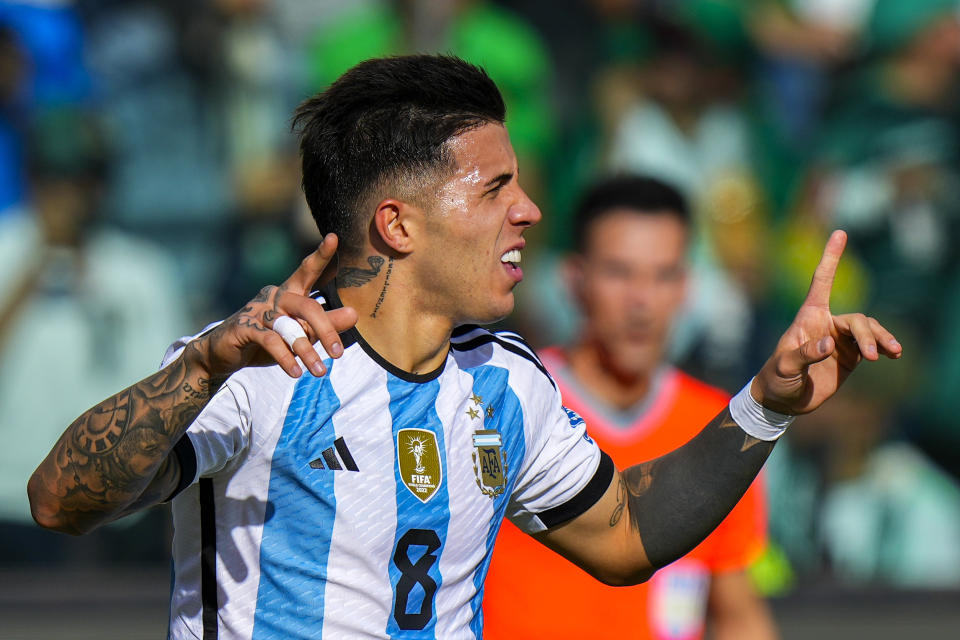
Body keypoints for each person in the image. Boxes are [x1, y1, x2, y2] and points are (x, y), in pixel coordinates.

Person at [27, 55, 900, 639]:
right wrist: (199, 368)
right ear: (397, 223)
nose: (528, 212)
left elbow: (627, 535)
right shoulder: (258, 367)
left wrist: (768, 405)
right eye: (495, 189)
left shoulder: (505, 381)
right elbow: (60, 501)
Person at [483, 175, 777, 639]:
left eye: (663, 275)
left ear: (686, 287)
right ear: (574, 281)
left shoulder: (719, 423)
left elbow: (737, 612)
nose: (641, 301)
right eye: (619, 273)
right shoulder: (504, 402)